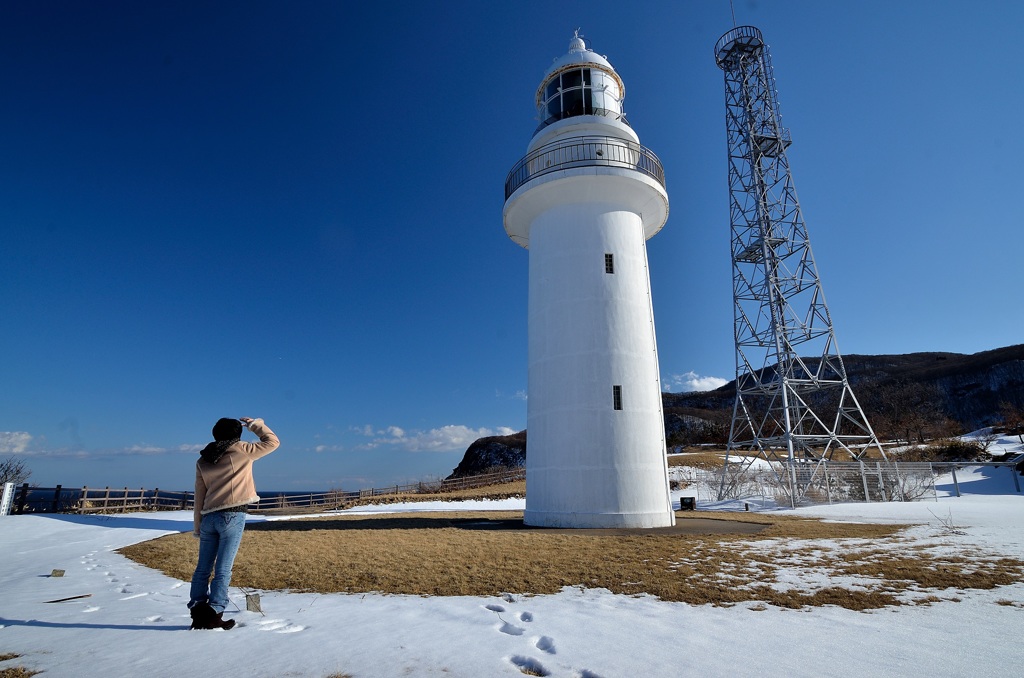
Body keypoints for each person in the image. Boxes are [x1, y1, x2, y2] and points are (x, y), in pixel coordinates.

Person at [188, 416, 279, 630]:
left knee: (202, 569)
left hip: (209, 517)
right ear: (237, 434)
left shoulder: (203, 459)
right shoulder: (242, 449)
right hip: (232, 515)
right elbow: (272, 442)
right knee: (223, 569)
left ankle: (198, 610)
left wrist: (197, 525)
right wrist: (254, 425)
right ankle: (215, 612)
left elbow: (199, 494)